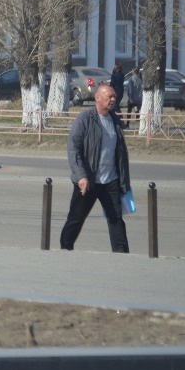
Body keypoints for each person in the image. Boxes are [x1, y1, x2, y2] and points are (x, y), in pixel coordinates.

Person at [60, 84, 132, 253]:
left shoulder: (115, 120)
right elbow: (74, 149)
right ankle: (65, 247)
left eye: (114, 96)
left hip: (110, 181)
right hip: (88, 180)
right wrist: (81, 176)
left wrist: (123, 181)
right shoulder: (85, 118)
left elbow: (120, 153)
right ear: (98, 98)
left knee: (116, 219)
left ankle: (121, 254)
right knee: (76, 218)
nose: (113, 99)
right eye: (109, 96)